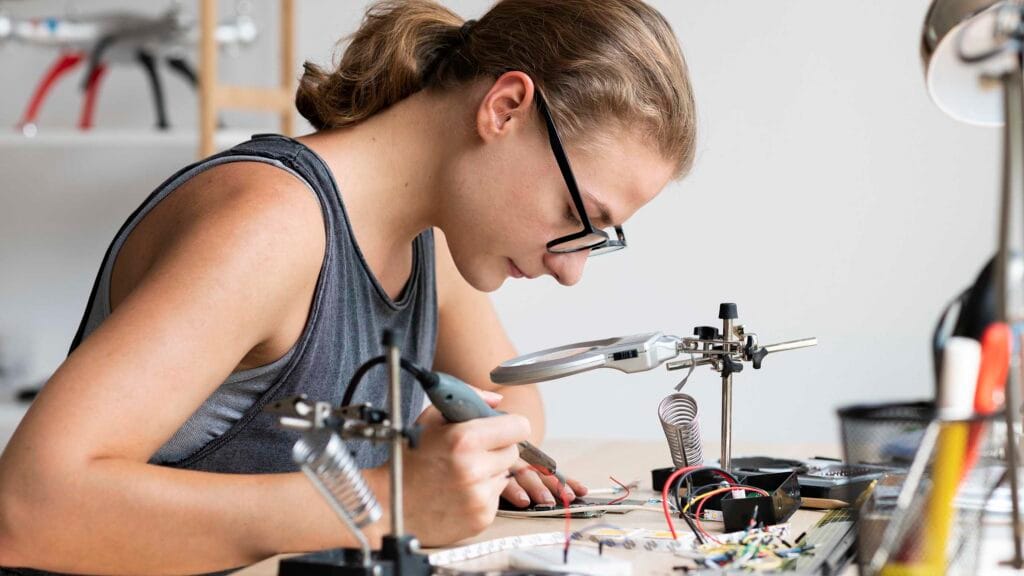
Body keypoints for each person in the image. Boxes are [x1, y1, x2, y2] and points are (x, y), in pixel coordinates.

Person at [0, 0, 696, 573]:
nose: (570, 270)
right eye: (576, 215)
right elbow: (28, 510)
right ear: (506, 108)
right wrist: (385, 504)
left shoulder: (432, 242)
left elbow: (509, 394)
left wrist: (471, 456)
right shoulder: (271, 228)